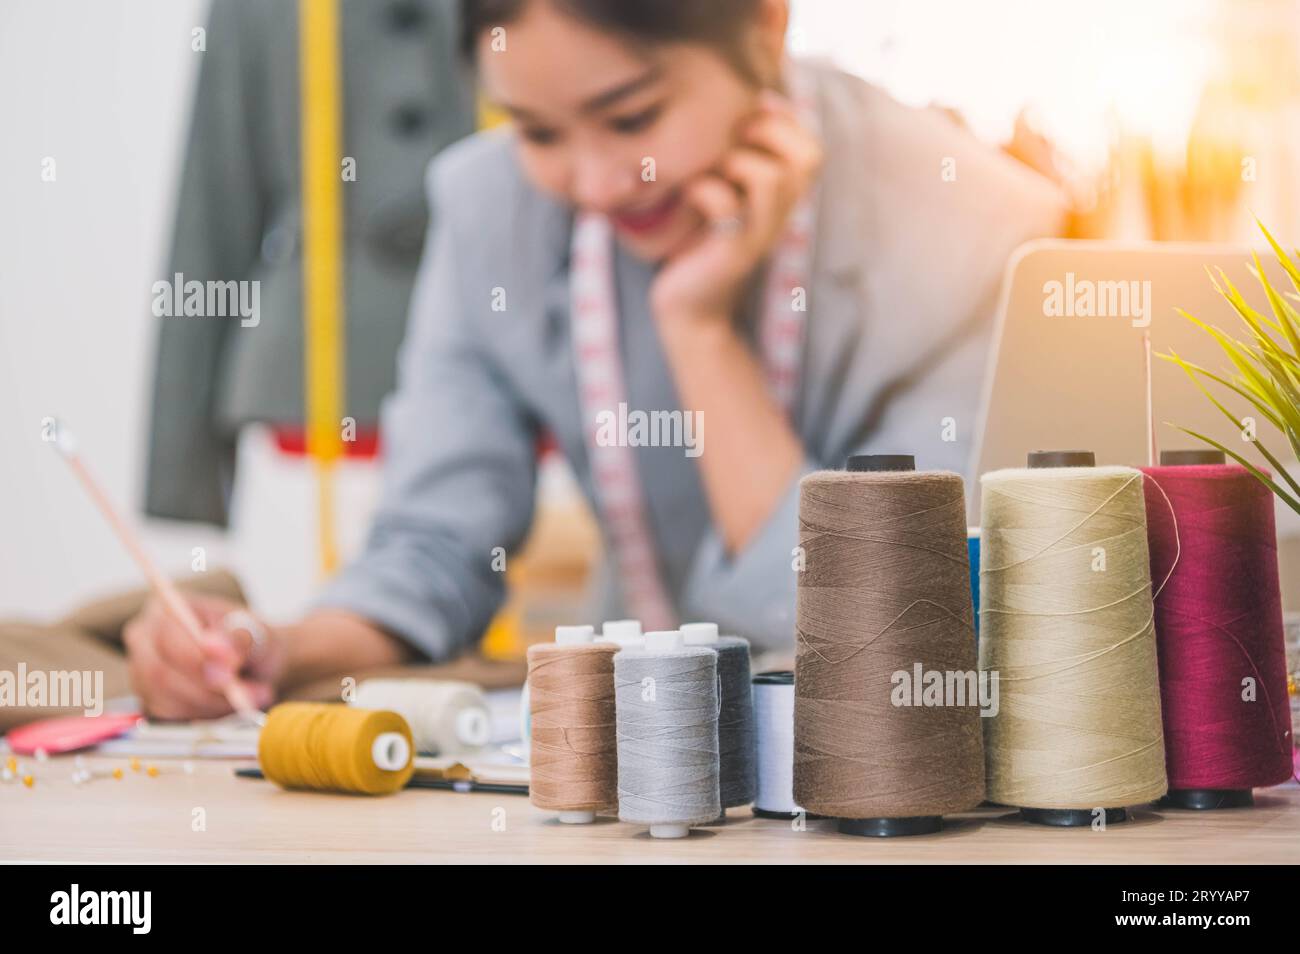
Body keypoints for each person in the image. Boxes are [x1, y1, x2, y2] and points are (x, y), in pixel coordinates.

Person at [123, 0, 1066, 720]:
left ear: (768, 26)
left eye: (633, 117)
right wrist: (275, 649)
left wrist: (698, 332)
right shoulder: (492, 207)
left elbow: (874, 619)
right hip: (654, 769)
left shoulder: (974, 232)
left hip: (898, 760)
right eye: (536, 131)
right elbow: (434, 546)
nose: (596, 183)